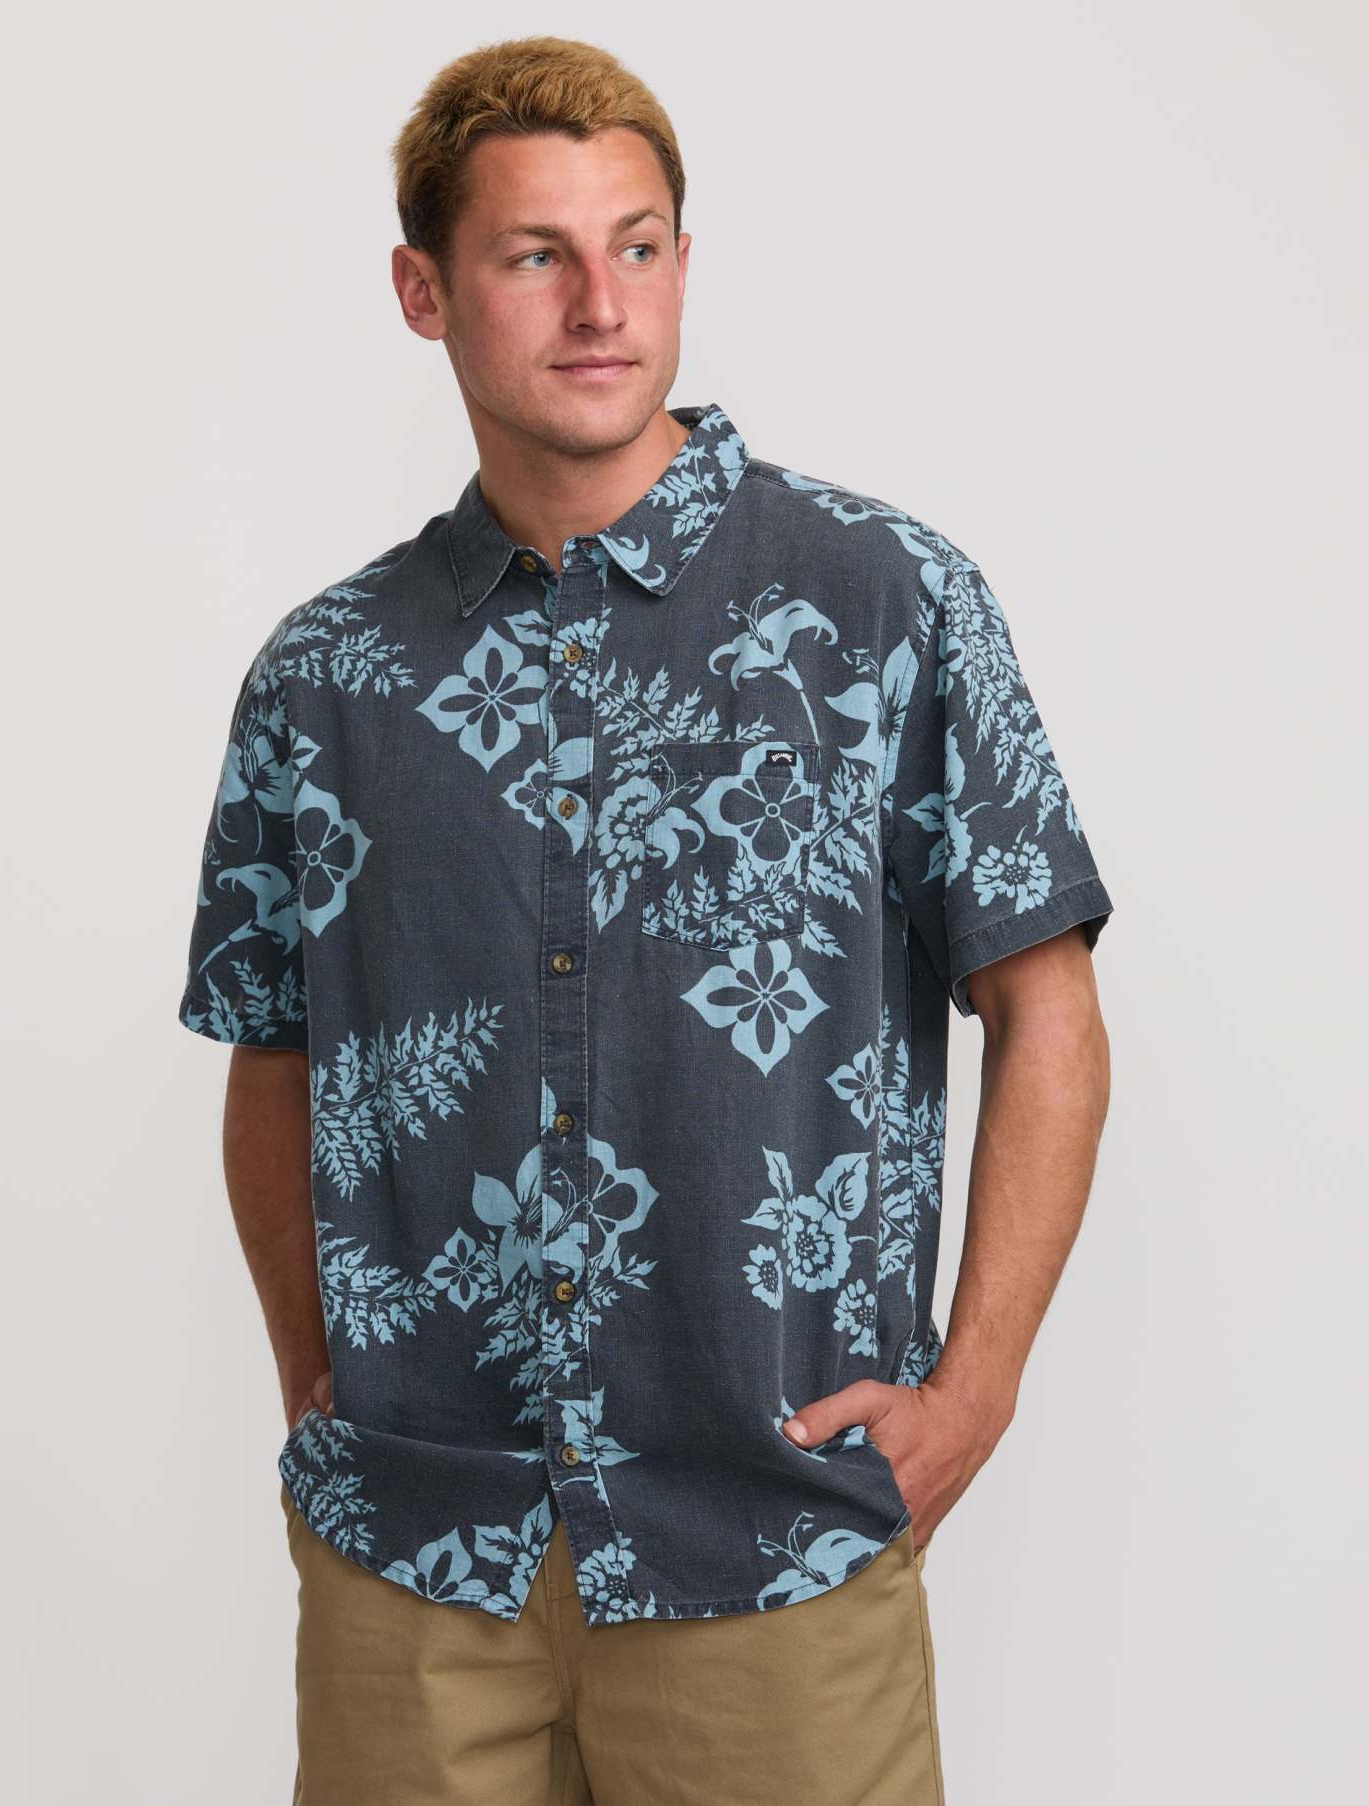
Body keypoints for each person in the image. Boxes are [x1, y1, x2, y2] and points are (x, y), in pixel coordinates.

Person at [176, 32, 1114, 1806]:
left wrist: (973, 1388)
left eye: (638, 245)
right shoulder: (326, 676)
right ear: (423, 292)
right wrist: (315, 1370)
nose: (600, 304)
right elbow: (276, 1052)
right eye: (535, 254)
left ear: (685, 260)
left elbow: (1043, 1003)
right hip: (414, 1562)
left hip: (771, 1540)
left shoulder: (882, 601)